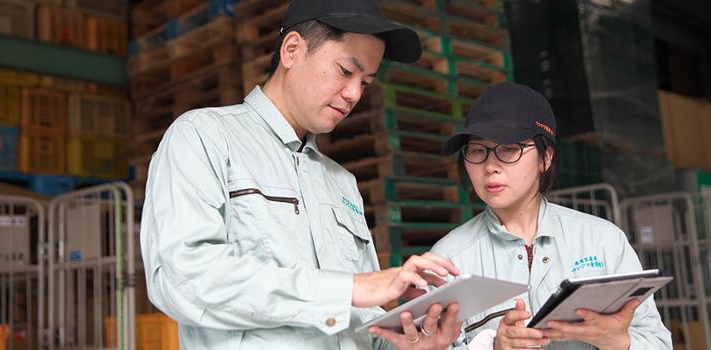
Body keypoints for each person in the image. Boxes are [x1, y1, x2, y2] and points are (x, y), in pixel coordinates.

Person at [139, 0, 465, 349]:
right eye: (345, 71)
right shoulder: (203, 137)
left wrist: (409, 343)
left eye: (365, 83)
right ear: (292, 49)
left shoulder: (342, 182)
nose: (354, 93)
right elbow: (184, 278)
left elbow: (360, 323)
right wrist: (351, 288)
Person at [405, 82, 671, 349]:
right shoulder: (448, 260)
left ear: (545, 158)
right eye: (477, 150)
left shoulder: (603, 241)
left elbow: (658, 342)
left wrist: (619, 342)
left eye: (508, 148)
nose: (490, 166)